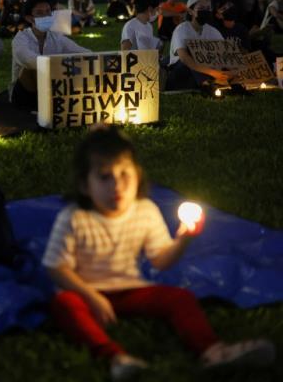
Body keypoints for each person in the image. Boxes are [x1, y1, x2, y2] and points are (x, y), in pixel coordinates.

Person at [43, 125, 276, 382]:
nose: (117, 185)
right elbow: (56, 267)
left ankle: (213, 351)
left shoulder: (145, 211)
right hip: (84, 291)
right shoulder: (74, 218)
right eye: (104, 176)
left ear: (138, 175)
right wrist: (92, 296)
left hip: (130, 289)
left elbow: (160, 260)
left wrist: (183, 238)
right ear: (84, 185)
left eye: (124, 174)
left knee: (180, 298)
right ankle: (114, 358)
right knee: (64, 304)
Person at [11, 0, 90, 111]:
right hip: (26, 94)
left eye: (48, 11)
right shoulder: (21, 39)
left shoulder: (56, 37)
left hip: (53, 89)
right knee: (31, 69)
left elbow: (81, 52)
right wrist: (59, 66)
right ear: (29, 18)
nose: (46, 16)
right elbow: (27, 60)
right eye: (39, 13)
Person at [165, 0, 232, 91]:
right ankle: (207, 85)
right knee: (192, 56)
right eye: (201, 8)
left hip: (206, 71)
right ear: (190, 11)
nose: (206, 11)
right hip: (181, 73)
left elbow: (226, 53)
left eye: (208, 8)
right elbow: (184, 58)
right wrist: (211, 72)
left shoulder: (212, 31)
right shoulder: (182, 29)